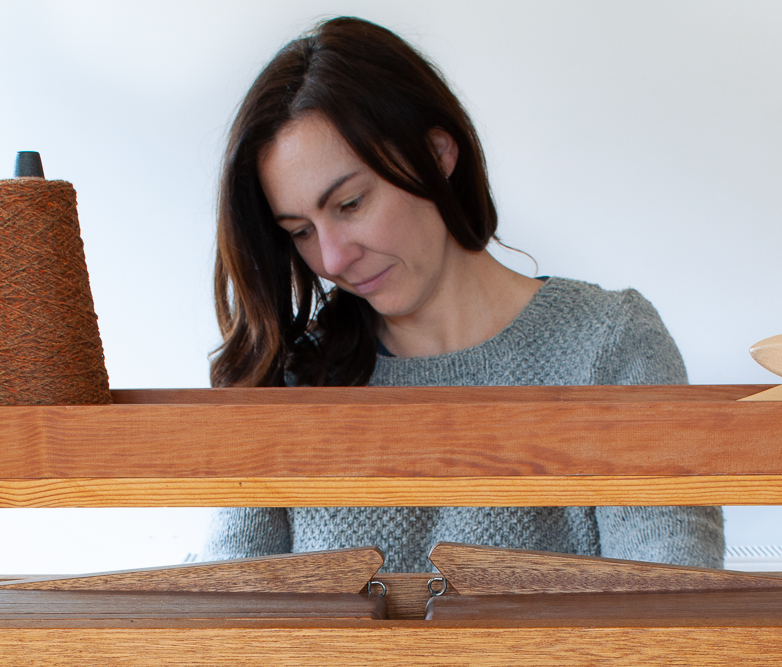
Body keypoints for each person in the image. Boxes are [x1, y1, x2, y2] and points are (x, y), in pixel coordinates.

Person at [204, 16, 723, 572]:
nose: (332, 259)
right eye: (300, 232)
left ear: (437, 154)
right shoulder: (291, 378)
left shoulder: (610, 344)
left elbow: (672, 603)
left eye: (351, 203)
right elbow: (227, 619)